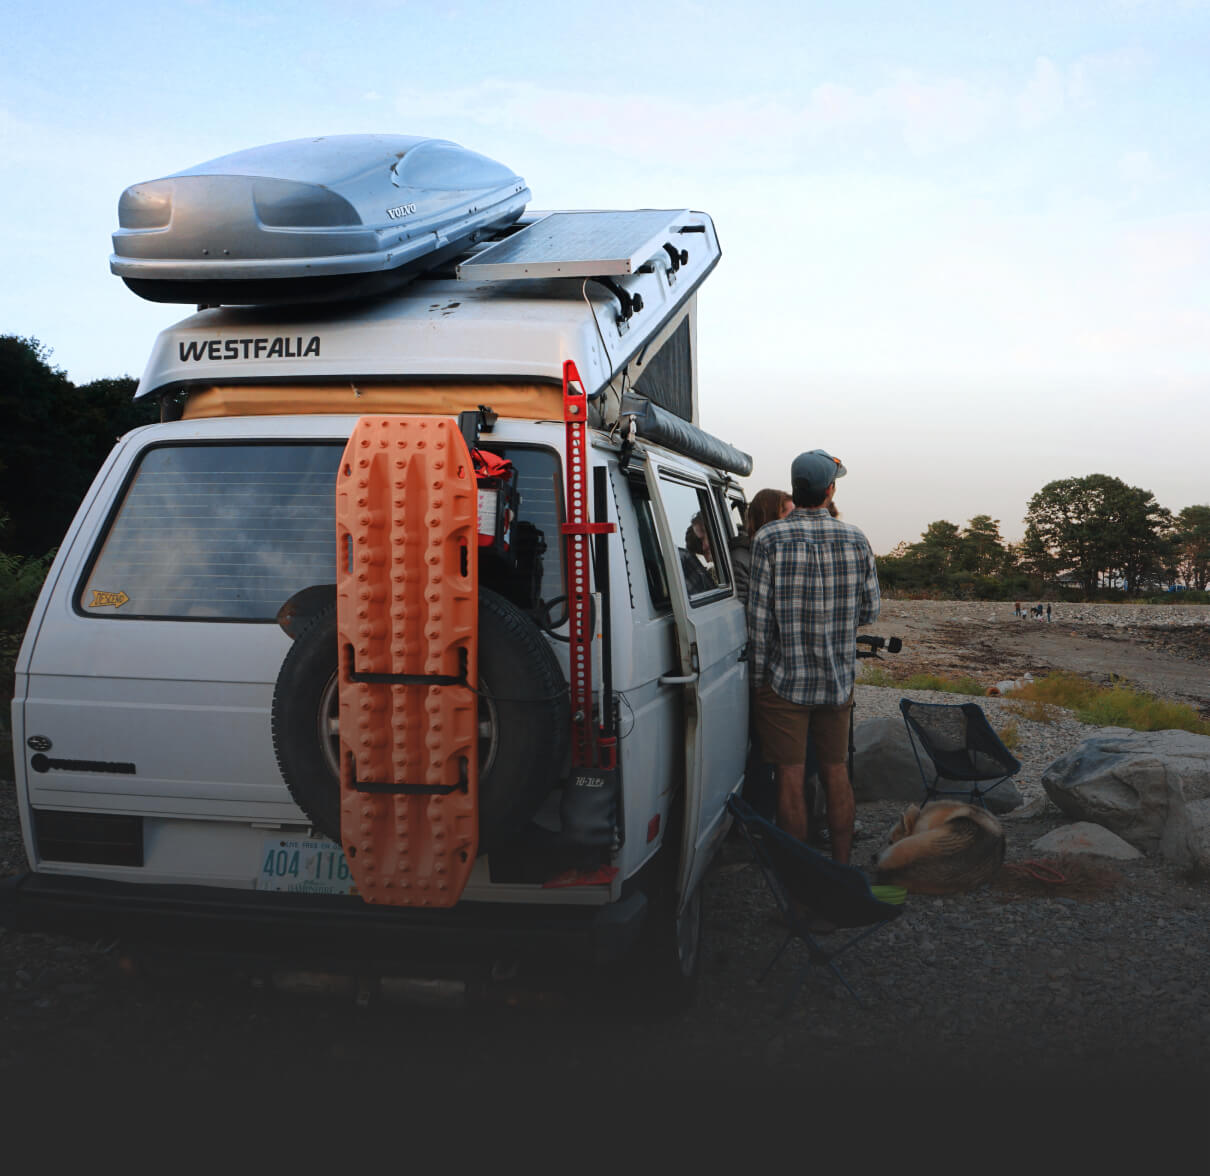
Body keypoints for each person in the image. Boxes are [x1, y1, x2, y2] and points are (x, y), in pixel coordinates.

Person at [748, 449, 880, 864]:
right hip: (837, 680)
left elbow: (759, 621)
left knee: (789, 775)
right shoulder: (856, 538)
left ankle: (799, 879)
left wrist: (757, 681)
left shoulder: (768, 539)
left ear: (795, 489)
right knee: (836, 770)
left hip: (784, 682)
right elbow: (870, 610)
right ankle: (839, 869)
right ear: (830, 490)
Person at [728, 488, 793, 607]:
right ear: (770, 520)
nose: (795, 525)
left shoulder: (786, 553)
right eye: (789, 519)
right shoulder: (741, 560)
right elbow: (743, 611)